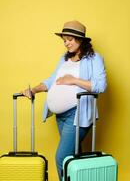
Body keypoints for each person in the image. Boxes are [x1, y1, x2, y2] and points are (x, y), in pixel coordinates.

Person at [21, 20, 107, 181]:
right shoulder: (64, 59)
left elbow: (100, 86)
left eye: (69, 39)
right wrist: (33, 90)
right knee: (75, 155)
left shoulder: (94, 58)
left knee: (62, 158)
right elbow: (51, 81)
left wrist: (74, 80)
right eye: (64, 40)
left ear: (80, 40)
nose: (66, 43)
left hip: (78, 113)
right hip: (60, 116)